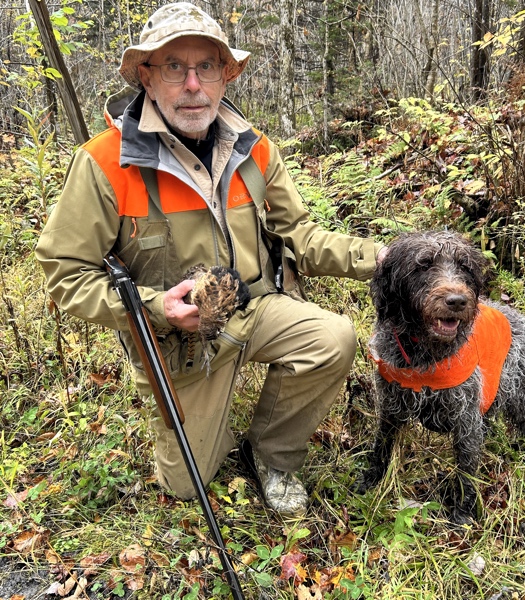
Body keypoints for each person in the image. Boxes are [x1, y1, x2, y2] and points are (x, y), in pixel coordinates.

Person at [36, 2, 385, 517]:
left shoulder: (256, 150)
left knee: (333, 338)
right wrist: (158, 307)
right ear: (147, 80)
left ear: (226, 77)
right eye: (174, 67)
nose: (193, 84)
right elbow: (65, 275)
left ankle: (272, 454)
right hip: (180, 338)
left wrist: (382, 256)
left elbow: (303, 237)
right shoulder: (105, 163)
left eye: (207, 67)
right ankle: (204, 427)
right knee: (186, 483)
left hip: (258, 309)